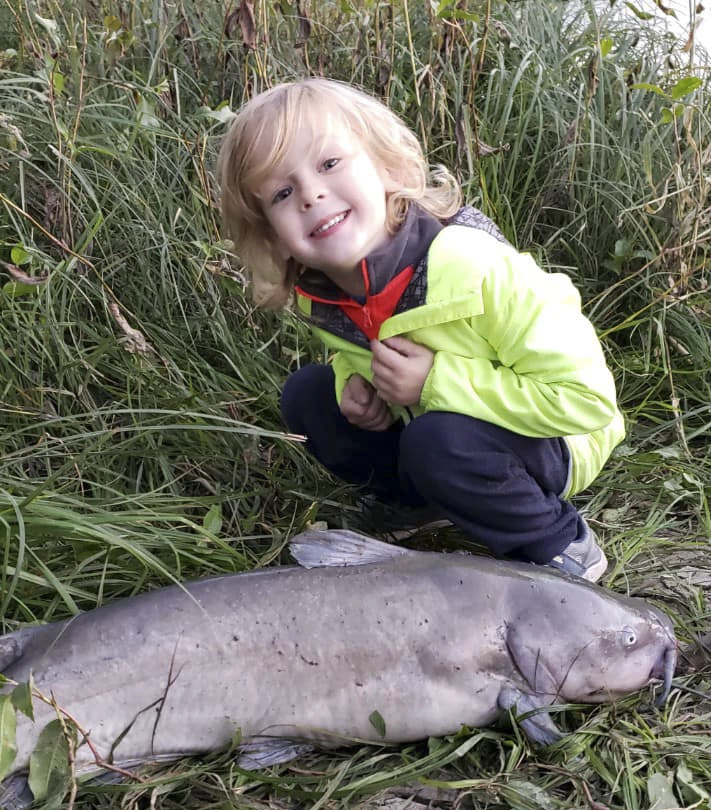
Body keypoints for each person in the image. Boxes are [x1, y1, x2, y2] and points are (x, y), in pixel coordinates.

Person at [216, 78, 625, 581]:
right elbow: (354, 352)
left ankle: (557, 541)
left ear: (389, 168)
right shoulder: (322, 290)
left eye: (329, 164)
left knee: (439, 440)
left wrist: (434, 382)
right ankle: (413, 504)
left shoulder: (475, 266)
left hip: (558, 437)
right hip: (433, 426)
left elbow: (585, 401)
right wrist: (355, 388)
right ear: (272, 236)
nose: (311, 194)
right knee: (308, 395)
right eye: (282, 192)